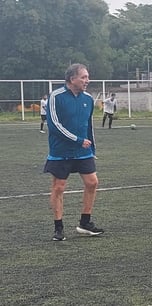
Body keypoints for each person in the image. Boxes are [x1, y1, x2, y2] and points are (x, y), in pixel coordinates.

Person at [44, 63, 104, 241]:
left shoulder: (87, 99)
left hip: (83, 151)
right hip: (61, 150)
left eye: (87, 77)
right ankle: (58, 227)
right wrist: (77, 140)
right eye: (84, 77)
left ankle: (85, 223)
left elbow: (88, 125)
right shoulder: (56, 96)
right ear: (72, 79)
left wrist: (91, 147)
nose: (87, 80)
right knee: (59, 187)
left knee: (92, 182)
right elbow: (54, 125)